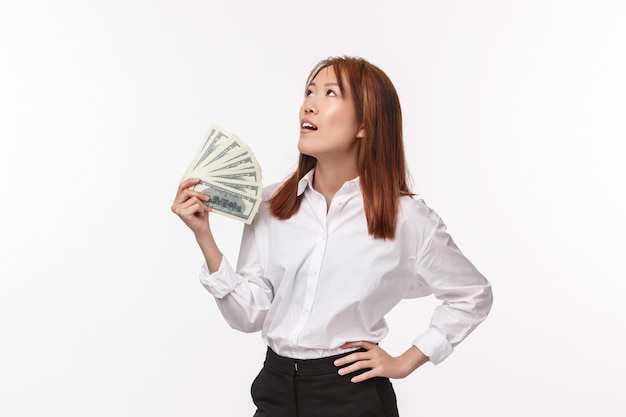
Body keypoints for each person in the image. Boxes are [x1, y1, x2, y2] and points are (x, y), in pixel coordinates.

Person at [171, 55, 493, 417]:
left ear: (365, 124)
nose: (309, 104)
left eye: (329, 93)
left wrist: (406, 361)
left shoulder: (406, 219)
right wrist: (204, 237)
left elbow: (472, 294)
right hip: (274, 387)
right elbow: (249, 315)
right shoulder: (272, 205)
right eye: (309, 91)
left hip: (349, 394)